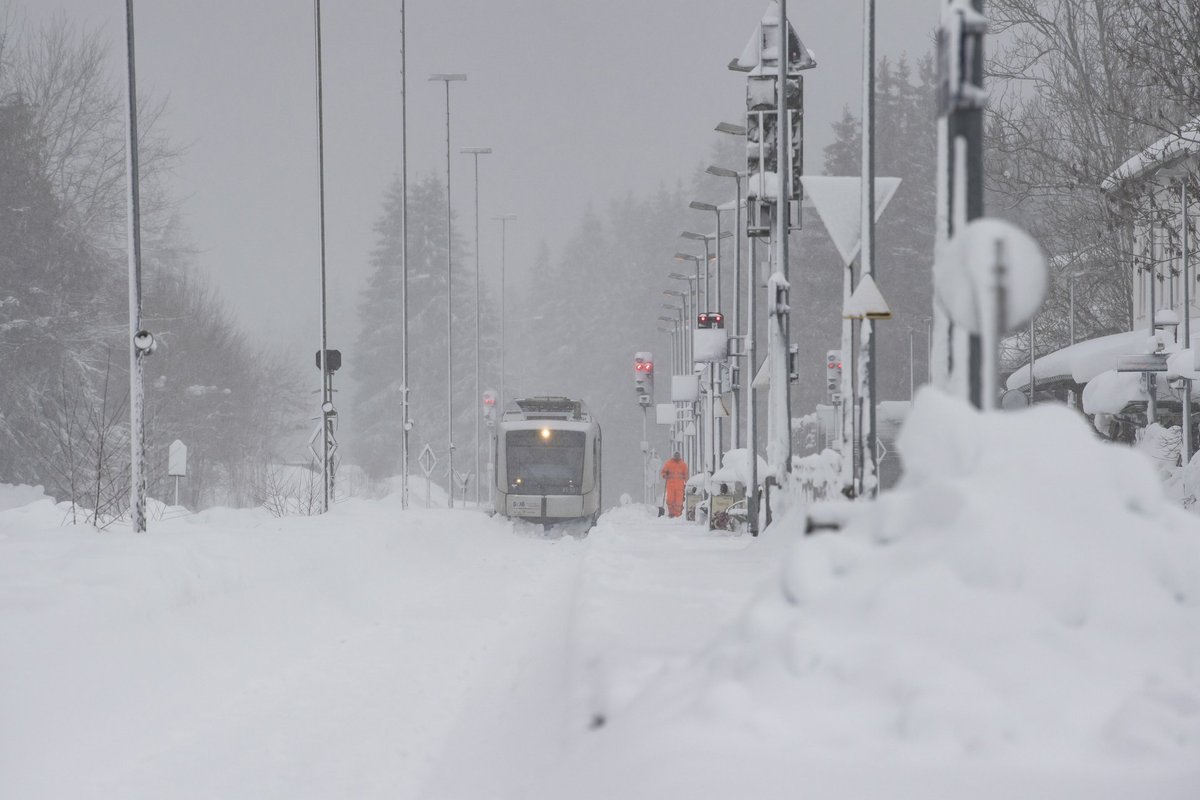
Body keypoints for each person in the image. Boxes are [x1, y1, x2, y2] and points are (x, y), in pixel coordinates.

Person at [660, 451, 689, 518]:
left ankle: (677, 514)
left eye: (677, 456)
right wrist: (665, 475)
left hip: (679, 487)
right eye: (675, 456)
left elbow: (686, 475)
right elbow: (663, 472)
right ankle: (671, 513)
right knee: (670, 500)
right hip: (671, 486)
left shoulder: (683, 465)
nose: (676, 457)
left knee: (678, 501)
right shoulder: (669, 463)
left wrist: (687, 483)